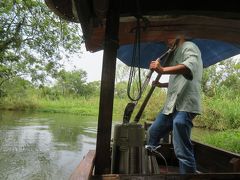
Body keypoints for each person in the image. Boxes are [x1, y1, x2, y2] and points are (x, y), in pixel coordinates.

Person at [147, 34, 203, 174]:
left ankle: (188, 176)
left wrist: (163, 70)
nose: (166, 41)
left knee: (181, 149)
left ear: (180, 36)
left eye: (169, 36)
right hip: (171, 106)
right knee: (152, 133)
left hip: (185, 104)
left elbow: (188, 68)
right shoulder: (174, 53)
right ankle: (151, 170)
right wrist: (162, 84)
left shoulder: (189, 46)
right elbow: (178, 80)